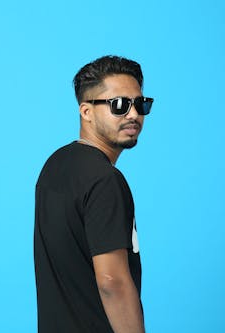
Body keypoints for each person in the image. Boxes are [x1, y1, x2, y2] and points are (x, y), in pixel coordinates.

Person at [34, 55, 154, 333]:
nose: (134, 114)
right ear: (86, 111)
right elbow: (112, 281)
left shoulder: (55, 164)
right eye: (119, 105)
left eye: (140, 103)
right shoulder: (105, 180)